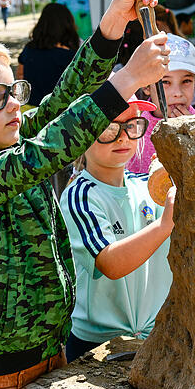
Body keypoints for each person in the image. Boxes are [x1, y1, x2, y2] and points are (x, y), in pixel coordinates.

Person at [0, 0, 167, 389]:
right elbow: (48, 150)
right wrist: (126, 80)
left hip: (48, 356)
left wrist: (110, 28)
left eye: (13, 90)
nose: (14, 103)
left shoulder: (7, 142)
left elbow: (60, 104)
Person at [59, 97, 175, 363]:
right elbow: (110, 263)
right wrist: (164, 224)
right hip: (96, 344)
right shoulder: (80, 196)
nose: (123, 138)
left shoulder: (148, 188)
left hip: (149, 337)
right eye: (109, 129)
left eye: (132, 126)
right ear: (81, 137)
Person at [126, 33, 195, 175]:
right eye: (165, 82)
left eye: (186, 81)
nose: (177, 93)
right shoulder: (133, 132)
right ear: (146, 85)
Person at [17, 3, 80, 107]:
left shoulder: (28, 49)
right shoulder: (69, 56)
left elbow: (20, 76)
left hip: (31, 110)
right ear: (68, 25)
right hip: (60, 113)